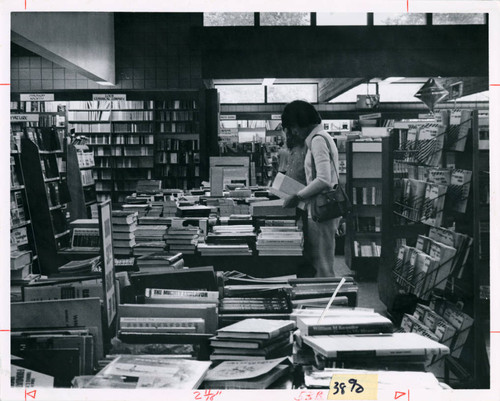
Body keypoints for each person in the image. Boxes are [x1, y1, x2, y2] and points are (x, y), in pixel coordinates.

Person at [281, 100, 341, 277]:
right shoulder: (320, 138)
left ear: (301, 123)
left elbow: (324, 180)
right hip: (321, 208)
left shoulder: (317, 141)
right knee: (322, 261)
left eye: (292, 127)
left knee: (322, 263)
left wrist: (297, 196)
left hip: (320, 209)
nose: (293, 132)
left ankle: (327, 299)